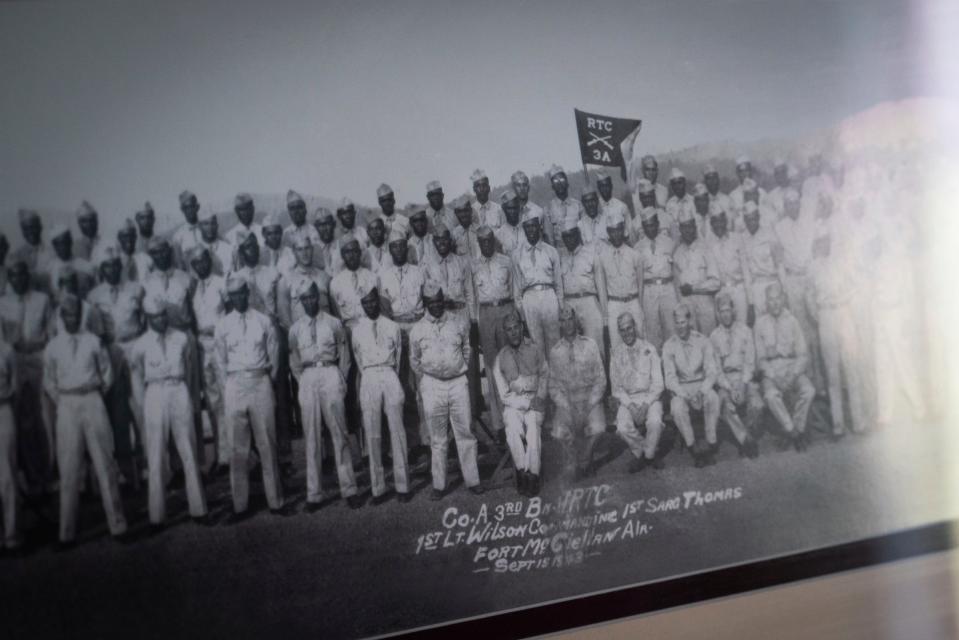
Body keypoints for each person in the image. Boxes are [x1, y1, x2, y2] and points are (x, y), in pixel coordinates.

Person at [43, 294, 128, 547]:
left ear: (81, 316)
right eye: (67, 314)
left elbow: (107, 374)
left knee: (105, 463)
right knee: (69, 468)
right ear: (61, 316)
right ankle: (66, 533)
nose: (72, 318)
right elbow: (49, 381)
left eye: (76, 314)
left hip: (93, 400)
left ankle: (118, 524)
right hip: (67, 405)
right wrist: (63, 400)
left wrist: (94, 396)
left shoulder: (93, 342)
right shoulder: (53, 347)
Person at [214, 276, 294, 520]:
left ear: (247, 293)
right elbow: (219, 362)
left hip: (260, 380)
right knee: (237, 448)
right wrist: (227, 387)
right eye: (233, 295)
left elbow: (275, 355)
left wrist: (268, 381)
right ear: (229, 298)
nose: (238, 298)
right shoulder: (223, 325)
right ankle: (240, 505)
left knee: (267, 444)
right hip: (235, 383)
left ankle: (276, 501)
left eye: (241, 293)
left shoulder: (263, 321)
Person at [129, 298, 210, 529]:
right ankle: (157, 515)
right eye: (156, 316)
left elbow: (192, 373)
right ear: (147, 318)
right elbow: (136, 379)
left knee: (188, 449)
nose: (161, 319)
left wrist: (192, 400)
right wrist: (143, 406)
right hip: (154, 392)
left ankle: (199, 509)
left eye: (164, 314)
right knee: (155, 455)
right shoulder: (141, 345)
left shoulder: (182, 338)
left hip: (178, 389)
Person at [288, 281, 361, 510]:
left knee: (339, 434)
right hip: (308, 376)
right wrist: (303, 380)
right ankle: (314, 494)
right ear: (300, 301)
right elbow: (294, 360)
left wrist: (340, 377)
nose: (309, 302)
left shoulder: (334, 323)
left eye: (312, 297)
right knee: (311, 437)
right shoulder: (295, 328)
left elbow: (344, 354)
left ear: (318, 298)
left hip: (330, 372)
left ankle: (349, 489)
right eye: (305, 299)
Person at [409, 283, 482, 499]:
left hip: (457, 382)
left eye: (439, 301)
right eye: (431, 303)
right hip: (432, 384)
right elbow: (414, 360)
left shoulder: (458, 322)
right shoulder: (417, 329)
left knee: (465, 433)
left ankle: (473, 480)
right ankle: (439, 485)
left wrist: (458, 369)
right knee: (438, 438)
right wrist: (426, 380)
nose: (436, 306)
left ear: (444, 301)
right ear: (425, 304)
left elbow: (466, 349)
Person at [86, 246, 146, 482]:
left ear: (121, 267)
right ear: (102, 269)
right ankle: (126, 471)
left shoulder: (135, 289)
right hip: (110, 349)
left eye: (115, 265)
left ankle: (148, 465)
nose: (112, 270)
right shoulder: (94, 296)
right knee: (118, 413)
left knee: (141, 408)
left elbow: (144, 319)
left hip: (134, 345)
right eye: (107, 266)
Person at [351, 286, 410, 504]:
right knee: (372, 434)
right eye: (365, 303)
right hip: (368, 376)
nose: (370, 306)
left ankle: (403, 486)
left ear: (378, 301)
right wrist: (367, 377)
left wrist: (391, 376)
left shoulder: (392, 327)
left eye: (372, 301)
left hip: (388, 373)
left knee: (397, 430)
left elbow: (400, 357)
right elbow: (358, 359)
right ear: (362, 305)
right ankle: (378, 489)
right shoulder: (357, 330)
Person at [806, 226, 866, 436]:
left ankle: (858, 422)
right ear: (817, 244)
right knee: (831, 373)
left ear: (831, 241)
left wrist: (845, 305)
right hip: (826, 317)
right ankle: (838, 425)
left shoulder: (843, 263)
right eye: (820, 241)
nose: (824, 244)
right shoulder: (813, 267)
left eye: (827, 240)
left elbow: (856, 287)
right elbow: (809, 296)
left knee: (851, 368)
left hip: (843, 314)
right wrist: (820, 316)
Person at [0, 261, 53, 494]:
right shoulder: (2, 303)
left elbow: (51, 332)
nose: (17, 279)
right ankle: (32, 477)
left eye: (21, 274)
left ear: (27, 275)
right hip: (14, 360)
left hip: (38, 357)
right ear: (8, 279)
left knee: (46, 416)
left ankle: (50, 473)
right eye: (12, 276)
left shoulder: (42, 299)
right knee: (23, 421)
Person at [378, 230, 429, 451]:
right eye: (394, 247)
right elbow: (385, 310)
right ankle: (413, 440)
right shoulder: (384, 276)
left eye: (402, 246)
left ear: (406, 248)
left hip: (418, 325)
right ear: (390, 250)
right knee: (405, 387)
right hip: (398, 328)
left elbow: (427, 303)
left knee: (424, 385)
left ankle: (430, 438)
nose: (399, 250)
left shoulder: (419, 272)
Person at [754, 282, 815, 450]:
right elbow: (760, 359)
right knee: (770, 395)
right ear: (766, 302)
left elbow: (803, 354)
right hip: (771, 370)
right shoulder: (760, 324)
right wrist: (774, 376)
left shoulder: (792, 321)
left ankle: (797, 428)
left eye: (778, 299)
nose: (775, 303)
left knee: (809, 391)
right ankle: (793, 432)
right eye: (771, 300)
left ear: (783, 299)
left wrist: (792, 375)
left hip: (792, 367)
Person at [492, 310, 547, 496]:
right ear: (505, 333)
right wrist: (524, 403)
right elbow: (504, 395)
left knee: (532, 428)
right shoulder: (500, 358)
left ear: (522, 327)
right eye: (509, 330)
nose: (514, 332)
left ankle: (533, 476)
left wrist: (539, 397)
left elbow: (545, 375)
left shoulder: (535, 349)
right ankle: (523, 470)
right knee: (512, 427)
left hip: (535, 399)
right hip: (514, 404)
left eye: (516, 327)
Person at [471, 225, 519, 434]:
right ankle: (499, 423)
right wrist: (475, 322)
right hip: (487, 314)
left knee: (512, 362)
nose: (487, 244)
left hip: (506, 309)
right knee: (492, 368)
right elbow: (472, 297)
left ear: (494, 240)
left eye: (489, 240)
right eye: (482, 242)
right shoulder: (473, 266)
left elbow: (516, 291)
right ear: (479, 244)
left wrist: (517, 316)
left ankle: (518, 416)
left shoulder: (506, 261)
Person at [548, 307, 606, 478]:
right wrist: (567, 406)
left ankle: (585, 458)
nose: (568, 323)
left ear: (576, 320)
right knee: (558, 432)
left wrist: (589, 403)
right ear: (560, 324)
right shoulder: (555, 351)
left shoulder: (591, 345)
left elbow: (601, 379)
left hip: (589, 399)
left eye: (570, 318)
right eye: (563, 320)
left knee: (598, 427)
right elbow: (553, 386)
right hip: (568, 402)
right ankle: (574, 458)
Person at [662, 303, 721, 467]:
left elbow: (712, 371)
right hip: (681, 388)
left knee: (713, 398)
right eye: (677, 323)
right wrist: (684, 394)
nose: (680, 327)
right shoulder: (669, 345)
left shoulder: (702, 340)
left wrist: (702, 391)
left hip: (701, 385)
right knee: (677, 407)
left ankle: (710, 441)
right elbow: (670, 378)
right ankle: (692, 445)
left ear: (689, 321)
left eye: (683, 322)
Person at [187, 246, 229, 472]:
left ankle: (238, 452)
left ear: (209, 260)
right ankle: (222, 455)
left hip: (220, 341)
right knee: (213, 401)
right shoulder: (193, 288)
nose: (200, 266)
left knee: (227, 394)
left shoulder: (222, 283)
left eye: (203, 261)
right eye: (196, 263)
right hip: (203, 345)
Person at [610, 313, 665, 473]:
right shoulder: (616, 353)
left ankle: (644, 457)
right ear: (619, 332)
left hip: (650, 397)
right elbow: (616, 388)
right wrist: (631, 406)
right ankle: (649, 452)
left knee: (654, 422)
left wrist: (647, 404)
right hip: (628, 400)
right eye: (622, 330)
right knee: (621, 428)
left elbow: (658, 383)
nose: (627, 333)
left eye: (629, 328)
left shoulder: (649, 348)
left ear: (635, 327)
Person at [709, 293, 762, 458]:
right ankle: (746, 440)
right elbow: (716, 369)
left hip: (744, 377)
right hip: (726, 381)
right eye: (721, 311)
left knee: (757, 404)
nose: (725, 314)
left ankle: (746, 435)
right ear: (717, 314)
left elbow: (750, 361)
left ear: (733, 310)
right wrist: (729, 387)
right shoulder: (714, 337)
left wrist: (743, 384)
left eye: (728, 310)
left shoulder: (745, 331)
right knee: (725, 406)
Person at [513, 210, 563, 359]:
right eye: (527, 227)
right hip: (530, 298)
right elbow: (517, 290)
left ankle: (557, 380)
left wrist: (560, 308)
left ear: (540, 227)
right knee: (536, 345)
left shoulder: (551, 251)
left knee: (555, 343)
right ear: (524, 228)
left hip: (549, 296)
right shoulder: (517, 254)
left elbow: (559, 284)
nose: (531, 230)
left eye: (534, 226)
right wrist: (522, 315)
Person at [597, 210, 644, 353]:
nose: (616, 235)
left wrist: (639, 307)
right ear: (608, 233)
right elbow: (602, 289)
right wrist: (605, 315)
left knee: (639, 340)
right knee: (617, 345)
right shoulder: (602, 257)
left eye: (618, 230)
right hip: (614, 304)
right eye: (612, 231)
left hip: (633, 302)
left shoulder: (635, 255)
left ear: (623, 230)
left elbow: (641, 285)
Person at [559, 221, 607, 359]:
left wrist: (605, 317)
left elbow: (601, 288)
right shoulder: (561, 257)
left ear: (578, 234)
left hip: (589, 303)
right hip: (570, 306)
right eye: (565, 237)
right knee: (573, 351)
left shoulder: (590, 253)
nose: (569, 239)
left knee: (596, 348)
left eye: (572, 235)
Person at [634, 206, 677, 350]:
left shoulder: (669, 243)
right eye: (646, 226)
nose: (650, 229)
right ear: (643, 227)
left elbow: (675, 271)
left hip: (667, 288)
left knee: (671, 328)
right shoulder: (638, 248)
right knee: (652, 330)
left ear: (658, 224)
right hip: (649, 290)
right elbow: (638, 279)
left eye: (652, 225)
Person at [673, 207, 720, 335]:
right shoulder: (677, 254)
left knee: (709, 342)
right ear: (680, 230)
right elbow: (677, 289)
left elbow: (716, 283)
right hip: (687, 308)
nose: (687, 231)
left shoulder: (706, 249)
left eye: (689, 226)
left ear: (694, 227)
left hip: (706, 304)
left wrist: (694, 288)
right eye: (684, 227)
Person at [708, 207, 752, 325]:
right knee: (725, 329)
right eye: (715, 222)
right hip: (722, 292)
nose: (718, 225)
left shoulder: (737, 239)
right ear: (711, 224)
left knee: (742, 327)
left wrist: (750, 302)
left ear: (726, 222)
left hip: (739, 291)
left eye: (721, 221)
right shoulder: (710, 245)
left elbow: (746, 271)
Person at [742, 201, 786, 318]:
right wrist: (750, 303)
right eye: (748, 220)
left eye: (754, 218)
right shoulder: (742, 239)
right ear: (744, 220)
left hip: (773, 284)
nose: (752, 223)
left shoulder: (770, 234)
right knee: (760, 326)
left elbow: (780, 265)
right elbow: (746, 274)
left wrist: (785, 291)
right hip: (756, 289)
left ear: (758, 217)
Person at [0, 333, 21, 551]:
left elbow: (15, 387)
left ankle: (13, 534)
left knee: (7, 476)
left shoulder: (6, 350)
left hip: (2, 410)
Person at [46, 225, 95, 299]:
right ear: (54, 246)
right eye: (59, 244)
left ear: (71, 241)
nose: (63, 247)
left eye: (66, 242)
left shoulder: (84, 265)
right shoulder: (49, 269)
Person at [12, 209, 53, 292]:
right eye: (26, 229)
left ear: (40, 227)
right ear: (22, 232)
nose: (30, 232)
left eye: (33, 227)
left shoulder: (52, 252)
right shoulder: (16, 256)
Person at [544, 165, 583, 246]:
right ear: (552, 186)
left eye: (562, 179)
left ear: (567, 183)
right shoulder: (548, 208)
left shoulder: (578, 205)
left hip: (578, 249)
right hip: (560, 251)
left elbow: (584, 231)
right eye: (555, 181)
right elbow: (549, 236)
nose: (559, 183)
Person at [171, 190, 203, 270]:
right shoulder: (178, 237)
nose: (189, 210)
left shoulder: (206, 228)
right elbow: (179, 264)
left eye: (192, 206)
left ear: (197, 207)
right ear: (182, 210)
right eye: (186, 208)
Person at [197, 211, 235, 276]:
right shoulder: (196, 251)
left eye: (213, 223)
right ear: (199, 227)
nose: (210, 227)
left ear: (217, 226)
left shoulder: (228, 249)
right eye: (206, 224)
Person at [116, 218, 153, 284]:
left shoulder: (146, 259)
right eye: (124, 236)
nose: (129, 240)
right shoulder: (115, 265)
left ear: (135, 237)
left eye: (131, 235)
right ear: (119, 239)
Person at [511, 171, 544, 235]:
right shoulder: (508, 212)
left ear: (528, 188)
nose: (522, 188)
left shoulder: (538, 211)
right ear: (513, 188)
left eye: (524, 185)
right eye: (518, 185)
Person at [494, 190, 525, 257]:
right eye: (509, 208)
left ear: (519, 208)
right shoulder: (498, 235)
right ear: (504, 209)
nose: (513, 212)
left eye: (515, 208)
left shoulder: (526, 229)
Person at [311, 207, 341, 274]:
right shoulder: (312, 250)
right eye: (321, 225)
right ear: (315, 227)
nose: (325, 229)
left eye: (328, 224)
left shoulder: (342, 245)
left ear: (334, 224)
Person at [450, 196, 481, 260]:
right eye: (460, 212)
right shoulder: (454, 235)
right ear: (456, 213)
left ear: (471, 211)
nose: (463, 214)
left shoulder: (480, 230)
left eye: (466, 210)